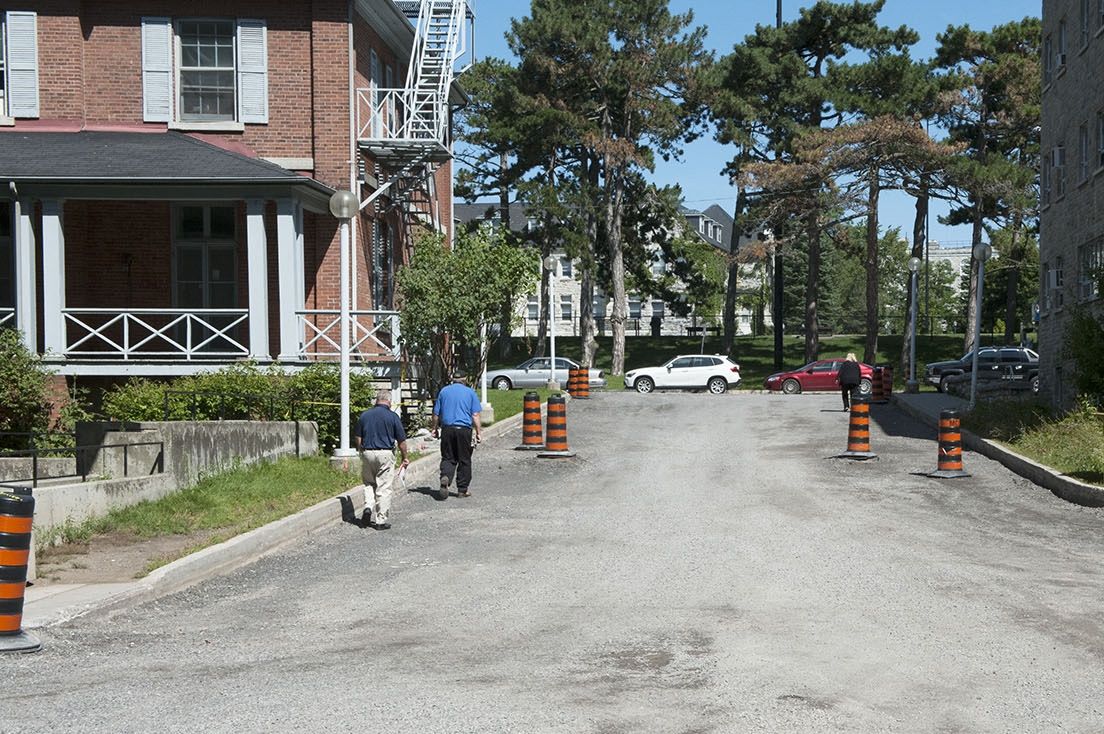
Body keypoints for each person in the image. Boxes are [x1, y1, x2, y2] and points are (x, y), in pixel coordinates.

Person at [352, 389, 409, 530]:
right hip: (385, 454)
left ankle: (367, 507)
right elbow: (401, 440)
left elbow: (358, 437)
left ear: (376, 400)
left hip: (367, 452)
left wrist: (361, 451)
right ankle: (380, 521)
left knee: (368, 483)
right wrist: (405, 457)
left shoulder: (364, 415)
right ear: (389, 401)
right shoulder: (393, 416)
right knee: (383, 487)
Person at [430, 371, 483, 500]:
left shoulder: (444, 391)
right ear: (465, 380)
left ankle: (446, 477)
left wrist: (435, 428)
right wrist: (478, 432)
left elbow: (436, 413)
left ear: (453, 380)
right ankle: (462, 490)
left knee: (448, 457)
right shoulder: (470, 393)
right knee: (464, 459)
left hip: (447, 429)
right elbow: (475, 415)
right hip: (464, 430)